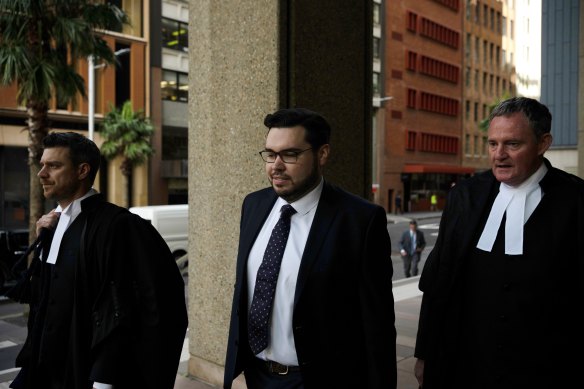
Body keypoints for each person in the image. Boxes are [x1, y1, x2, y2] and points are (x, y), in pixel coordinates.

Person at [414, 97, 584, 389]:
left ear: (543, 143)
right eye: (493, 144)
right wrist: (425, 353)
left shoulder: (576, 200)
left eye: (512, 144)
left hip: (546, 367)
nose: (499, 155)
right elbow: (438, 281)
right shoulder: (465, 196)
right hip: (466, 363)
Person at [224, 108, 397, 389]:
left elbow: (377, 324)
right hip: (256, 375)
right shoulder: (253, 205)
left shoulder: (360, 220)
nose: (275, 166)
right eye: (270, 154)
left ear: (322, 154)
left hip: (318, 379)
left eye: (290, 154)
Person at [10, 132, 188, 389]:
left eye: (54, 166)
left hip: (89, 374)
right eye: (42, 165)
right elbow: (46, 299)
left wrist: (105, 379)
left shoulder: (120, 226)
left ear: (82, 170)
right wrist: (43, 242)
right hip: (45, 371)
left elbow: (135, 307)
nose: (42, 173)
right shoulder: (52, 224)